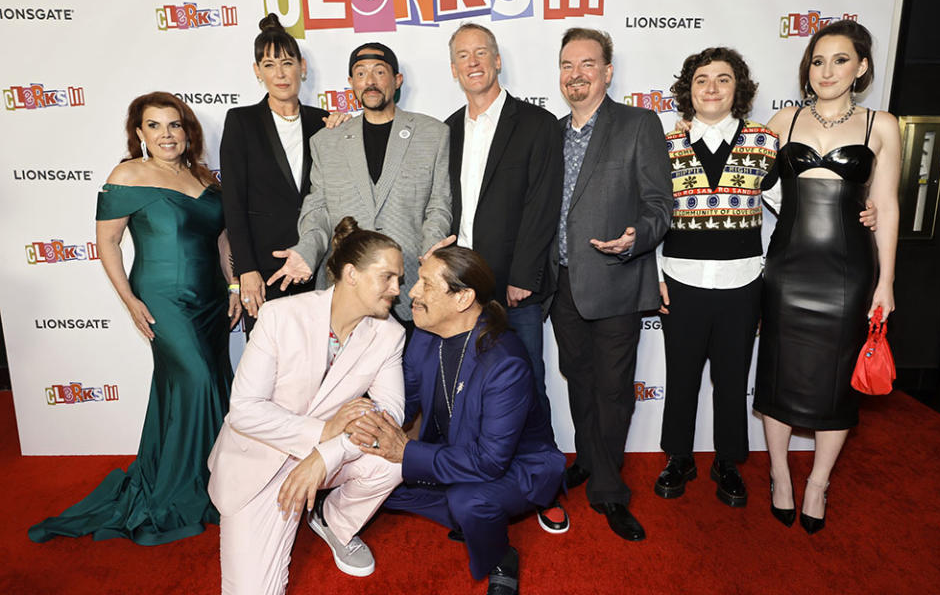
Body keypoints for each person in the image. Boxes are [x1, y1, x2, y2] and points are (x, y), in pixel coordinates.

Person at [28, 92, 241, 545]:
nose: (167, 134)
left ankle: (216, 481)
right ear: (139, 133)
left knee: (210, 381)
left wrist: (234, 285)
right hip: (162, 298)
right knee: (198, 380)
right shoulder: (127, 175)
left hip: (209, 299)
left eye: (175, 125)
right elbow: (107, 244)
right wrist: (129, 301)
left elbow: (222, 241)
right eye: (155, 126)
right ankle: (185, 487)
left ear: (188, 131)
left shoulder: (202, 175)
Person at [754, 19, 899, 534]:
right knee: (777, 373)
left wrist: (886, 283)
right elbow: (749, 185)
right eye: (818, 60)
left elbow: (887, 204)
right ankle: (779, 475)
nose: (827, 70)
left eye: (840, 60)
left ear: (861, 68)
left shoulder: (882, 125)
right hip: (787, 269)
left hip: (847, 273)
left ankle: (818, 481)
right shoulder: (780, 121)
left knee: (837, 383)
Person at [208, 216, 406, 594]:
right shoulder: (280, 316)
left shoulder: (390, 335)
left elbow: (391, 414)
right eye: (388, 277)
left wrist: (324, 456)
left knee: (390, 459)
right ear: (351, 274)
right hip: (260, 467)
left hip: (324, 460)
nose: (397, 289)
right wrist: (324, 430)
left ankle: (332, 520)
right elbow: (246, 409)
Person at [351, 246, 565, 595]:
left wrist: (404, 452)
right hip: (456, 451)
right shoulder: (424, 334)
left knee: (470, 501)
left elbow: (491, 461)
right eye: (417, 282)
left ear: (463, 298)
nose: (412, 293)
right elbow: (405, 402)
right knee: (372, 479)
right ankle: (464, 511)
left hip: (517, 465)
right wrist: (366, 421)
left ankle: (501, 557)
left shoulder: (504, 362)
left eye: (426, 285)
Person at [444, 22, 568, 533]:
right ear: (453, 69)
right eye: (462, 56)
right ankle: (475, 487)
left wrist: (523, 275)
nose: (473, 62)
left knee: (527, 387)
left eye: (481, 53)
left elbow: (544, 204)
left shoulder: (536, 123)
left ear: (498, 61)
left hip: (514, 286)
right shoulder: (447, 127)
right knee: (466, 389)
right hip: (460, 287)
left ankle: (544, 487)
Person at [550, 28, 672, 541]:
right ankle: (589, 460)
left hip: (617, 281)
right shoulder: (548, 132)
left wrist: (636, 238)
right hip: (560, 285)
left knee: (614, 390)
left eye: (587, 64)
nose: (575, 74)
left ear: (607, 71)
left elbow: (660, 206)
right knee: (578, 381)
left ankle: (608, 489)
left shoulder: (639, 124)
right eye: (567, 65)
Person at [654, 48, 777, 508]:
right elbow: (649, 216)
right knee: (681, 376)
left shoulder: (764, 142)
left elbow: (789, 212)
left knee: (732, 378)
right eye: (702, 79)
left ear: (737, 89)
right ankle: (679, 457)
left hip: (743, 283)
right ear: (689, 89)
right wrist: (652, 276)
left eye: (723, 79)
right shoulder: (664, 144)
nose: (711, 87)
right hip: (678, 280)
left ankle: (728, 461)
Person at [269, 41, 452, 333]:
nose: (371, 81)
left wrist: (431, 256)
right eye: (362, 73)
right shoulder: (327, 141)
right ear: (351, 83)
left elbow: (438, 205)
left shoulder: (433, 134)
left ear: (397, 80)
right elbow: (318, 211)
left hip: (409, 288)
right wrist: (306, 250)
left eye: (380, 72)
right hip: (347, 288)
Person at [220, 13, 332, 335]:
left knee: (319, 362)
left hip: (318, 265)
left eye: (287, 63)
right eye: (269, 65)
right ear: (257, 72)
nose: (280, 74)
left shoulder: (323, 121)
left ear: (303, 67)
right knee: (274, 367)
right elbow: (234, 204)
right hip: (265, 270)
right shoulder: (241, 122)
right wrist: (246, 271)